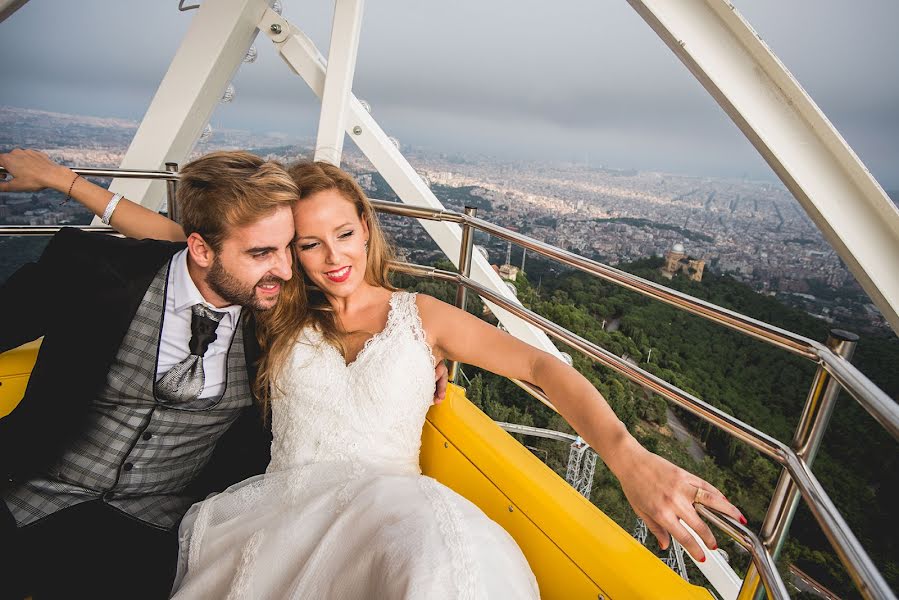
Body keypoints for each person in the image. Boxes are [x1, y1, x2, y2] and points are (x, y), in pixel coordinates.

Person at [69, 157, 747, 598]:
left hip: (391, 505)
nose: (331, 256)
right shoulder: (276, 313)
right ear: (290, 251)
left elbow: (540, 365)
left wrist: (627, 457)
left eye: (342, 232)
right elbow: (172, 234)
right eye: (308, 242)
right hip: (279, 514)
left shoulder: (420, 316)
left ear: (365, 226)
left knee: (442, 566)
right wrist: (64, 182)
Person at [0, 149, 448, 599]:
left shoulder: (280, 315)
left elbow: (361, 321)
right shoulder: (95, 270)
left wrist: (412, 355)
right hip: (28, 492)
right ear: (199, 248)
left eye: (290, 247)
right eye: (262, 252)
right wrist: (63, 180)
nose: (287, 269)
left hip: (154, 535)